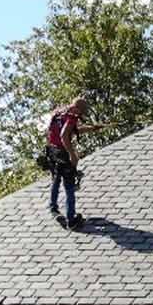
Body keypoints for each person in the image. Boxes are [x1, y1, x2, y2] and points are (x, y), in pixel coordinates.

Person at [46, 97, 101, 230]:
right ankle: (71, 220)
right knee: (69, 186)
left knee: (56, 179)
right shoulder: (72, 117)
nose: (81, 115)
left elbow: (72, 130)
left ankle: (53, 207)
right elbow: (65, 135)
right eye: (81, 112)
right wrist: (72, 154)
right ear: (77, 109)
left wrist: (92, 129)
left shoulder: (60, 114)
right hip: (63, 154)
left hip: (52, 151)